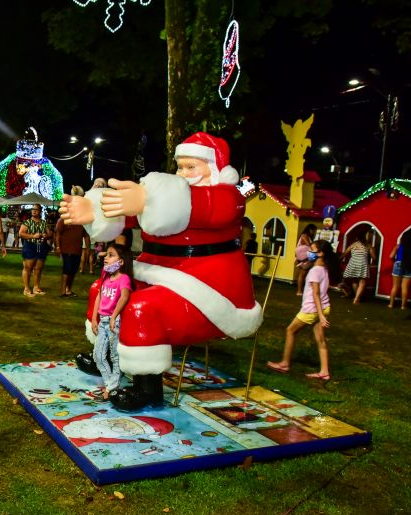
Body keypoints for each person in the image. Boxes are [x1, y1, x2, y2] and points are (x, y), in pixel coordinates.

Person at [60, 132, 262, 411]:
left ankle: (147, 389)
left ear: (216, 169)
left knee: (142, 308)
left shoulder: (228, 197)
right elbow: (137, 210)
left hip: (210, 290)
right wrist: (98, 209)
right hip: (164, 276)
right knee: (101, 290)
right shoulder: (174, 200)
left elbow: (196, 206)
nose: (183, 173)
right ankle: (104, 356)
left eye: (192, 167)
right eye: (180, 167)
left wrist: (145, 201)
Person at [267, 239, 340, 381]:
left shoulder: (314, 271)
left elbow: (316, 294)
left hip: (311, 310)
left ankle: (284, 363)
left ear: (321, 253)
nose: (309, 252)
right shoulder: (324, 269)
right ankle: (324, 372)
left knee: (290, 330)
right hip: (324, 307)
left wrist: (320, 315)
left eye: (312, 249)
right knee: (320, 339)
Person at [91, 244, 133, 399]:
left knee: (115, 356)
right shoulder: (106, 277)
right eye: (106, 255)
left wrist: (114, 316)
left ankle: (111, 388)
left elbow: (124, 296)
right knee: (98, 356)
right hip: (102, 321)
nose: (106, 258)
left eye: (110, 255)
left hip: (113, 322)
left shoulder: (124, 278)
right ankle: (111, 384)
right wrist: (95, 318)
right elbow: (99, 297)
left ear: (121, 261)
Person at [55, 186, 88, 297]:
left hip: (77, 249)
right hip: (66, 249)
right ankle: (63, 291)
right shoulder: (64, 218)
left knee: (73, 271)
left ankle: (68, 290)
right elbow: (58, 234)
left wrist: (87, 248)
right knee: (67, 269)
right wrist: (58, 247)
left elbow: (86, 235)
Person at [19, 205, 52, 297]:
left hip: (41, 246)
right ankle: (26, 288)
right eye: (33, 209)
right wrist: (33, 236)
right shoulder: (27, 222)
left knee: (38, 268)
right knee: (27, 267)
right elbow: (21, 233)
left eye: (36, 209)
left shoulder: (43, 223)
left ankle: (36, 287)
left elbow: (50, 234)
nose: (34, 211)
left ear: (40, 211)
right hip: (30, 246)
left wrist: (47, 235)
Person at [340, 231, 377, 304]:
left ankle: (357, 297)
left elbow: (344, 254)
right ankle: (357, 298)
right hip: (362, 263)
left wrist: (338, 260)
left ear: (357, 238)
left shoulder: (353, 244)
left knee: (354, 281)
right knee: (362, 282)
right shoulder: (368, 246)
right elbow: (374, 258)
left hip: (353, 263)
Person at [388, 232, 411, 310]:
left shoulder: (398, 247)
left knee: (395, 286)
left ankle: (391, 304)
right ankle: (403, 306)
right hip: (409, 266)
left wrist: (395, 261)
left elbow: (391, 256)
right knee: (405, 287)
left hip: (398, 264)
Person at [295, 224, 318, 296]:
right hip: (304, 256)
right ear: (309, 229)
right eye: (313, 230)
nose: (314, 232)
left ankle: (302, 290)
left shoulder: (308, 236)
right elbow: (309, 244)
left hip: (306, 256)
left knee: (305, 273)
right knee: (302, 273)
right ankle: (299, 291)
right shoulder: (304, 235)